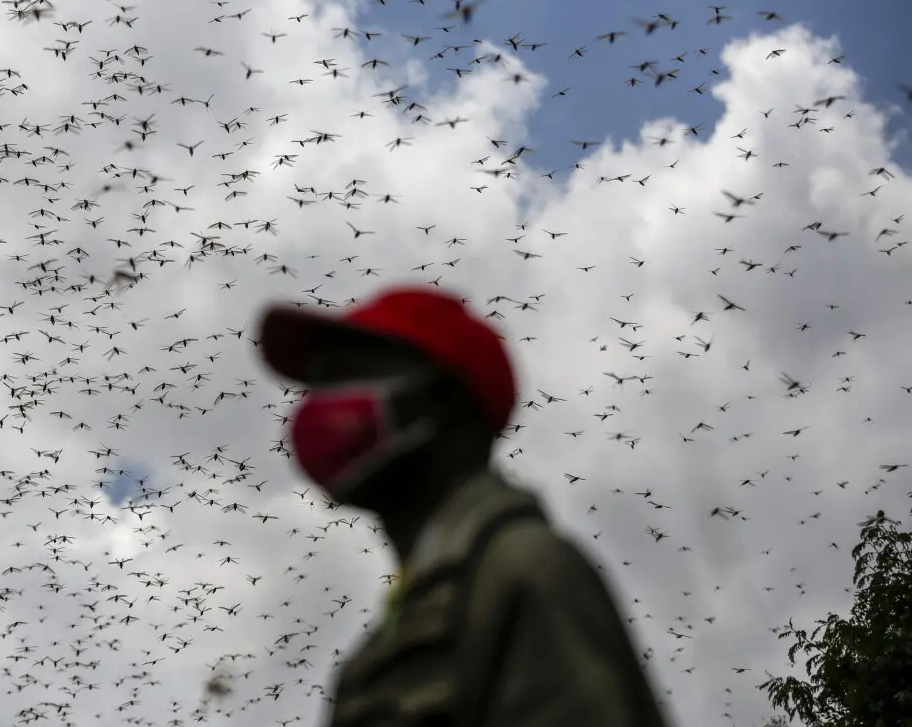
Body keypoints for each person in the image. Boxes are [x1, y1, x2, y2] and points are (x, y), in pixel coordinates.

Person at [258, 285, 671, 727]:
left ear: (443, 399)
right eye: (318, 383)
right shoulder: (394, 637)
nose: (317, 407)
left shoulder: (522, 574)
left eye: (346, 375)